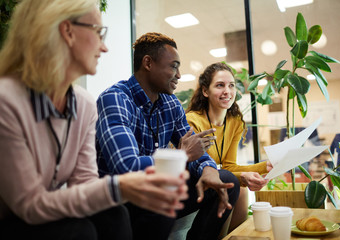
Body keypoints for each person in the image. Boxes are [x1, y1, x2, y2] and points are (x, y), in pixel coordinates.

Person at [0, 1, 188, 240]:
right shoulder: (7, 101)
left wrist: (133, 188)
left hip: (46, 212)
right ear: (67, 31)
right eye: (98, 32)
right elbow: (29, 205)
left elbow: (85, 184)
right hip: (12, 220)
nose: (104, 47)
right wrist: (121, 186)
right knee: (81, 230)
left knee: (115, 214)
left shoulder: (84, 104)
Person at [96, 32, 240, 240]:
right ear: (148, 63)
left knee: (226, 181)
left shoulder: (170, 104)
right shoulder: (116, 99)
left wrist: (208, 169)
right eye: (174, 66)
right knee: (163, 196)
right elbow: (126, 167)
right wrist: (181, 156)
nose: (179, 75)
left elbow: (193, 146)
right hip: (119, 198)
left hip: (153, 188)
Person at [186, 62, 272, 232]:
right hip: (193, 181)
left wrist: (265, 166)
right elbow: (194, 168)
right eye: (220, 85)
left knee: (240, 190)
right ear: (205, 91)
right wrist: (243, 176)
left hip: (216, 178)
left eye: (231, 85)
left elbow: (229, 167)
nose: (227, 91)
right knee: (232, 182)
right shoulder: (193, 121)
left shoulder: (234, 122)